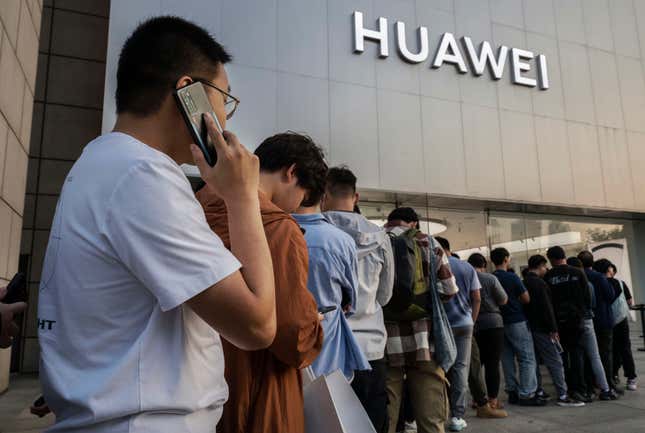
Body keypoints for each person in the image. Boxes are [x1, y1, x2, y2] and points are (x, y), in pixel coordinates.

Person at [37, 17, 278, 433]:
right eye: (224, 99)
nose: (225, 118)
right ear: (189, 93)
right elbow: (258, 324)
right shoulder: (142, 175)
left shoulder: (103, 162)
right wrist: (242, 197)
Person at [196, 132, 325, 433]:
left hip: (199, 381)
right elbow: (292, 335)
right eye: (302, 197)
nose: (295, 208)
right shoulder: (279, 227)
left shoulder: (195, 207)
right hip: (258, 389)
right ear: (291, 172)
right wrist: (314, 326)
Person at [322, 166, 395, 432]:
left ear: (323, 193)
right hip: (371, 348)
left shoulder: (314, 232)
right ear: (357, 196)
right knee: (372, 422)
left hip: (328, 349)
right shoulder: (380, 237)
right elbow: (385, 295)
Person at [384, 207, 459, 433]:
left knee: (386, 415)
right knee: (431, 417)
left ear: (389, 222)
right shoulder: (429, 243)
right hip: (424, 340)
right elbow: (449, 290)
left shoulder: (374, 240)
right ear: (414, 223)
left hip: (385, 341)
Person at [293, 171, 371, 381]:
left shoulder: (269, 232)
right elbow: (350, 303)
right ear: (323, 196)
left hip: (279, 346)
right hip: (327, 347)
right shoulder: (342, 241)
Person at [524, 255, 584, 407]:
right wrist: (553, 328)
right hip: (543, 328)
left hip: (530, 327)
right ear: (540, 265)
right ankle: (563, 395)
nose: (546, 270)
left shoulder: (524, 282)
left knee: (534, 362)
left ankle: (538, 390)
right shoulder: (540, 283)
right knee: (555, 361)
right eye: (544, 267)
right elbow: (547, 308)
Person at [434, 237, 481, 431]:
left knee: (440, 368)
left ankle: (438, 413)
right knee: (461, 369)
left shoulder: (433, 267)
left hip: (442, 326)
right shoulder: (467, 267)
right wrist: (472, 319)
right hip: (465, 324)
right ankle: (457, 416)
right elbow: (476, 297)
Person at [490, 248, 544, 406]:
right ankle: (527, 393)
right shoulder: (512, 277)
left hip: (499, 322)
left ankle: (512, 391)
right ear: (506, 259)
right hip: (516, 321)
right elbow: (526, 298)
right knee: (526, 357)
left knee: (506, 358)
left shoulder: (490, 278)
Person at [564, 255, 616, 401]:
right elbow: (597, 300)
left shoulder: (566, 283)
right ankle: (606, 387)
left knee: (578, 356)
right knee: (597, 355)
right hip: (590, 320)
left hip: (572, 322)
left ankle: (585, 388)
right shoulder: (593, 280)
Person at [467, 253, 508, 416]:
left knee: (476, 365)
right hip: (493, 323)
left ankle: (478, 399)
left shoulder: (465, 276)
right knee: (492, 364)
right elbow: (503, 299)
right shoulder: (490, 279)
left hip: (474, 324)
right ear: (483, 264)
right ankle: (492, 400)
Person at [579, 251, 619, 396]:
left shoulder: (577, 276)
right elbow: (610, 295)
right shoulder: (598, 277)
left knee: (587, 355)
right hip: (603, 319)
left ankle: (589, 385)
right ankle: (607, 383)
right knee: (605, 353)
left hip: (585, 320)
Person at [599, 261, 637, 391]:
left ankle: (613, 375)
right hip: (621, 320)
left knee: (610, 350)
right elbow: (629, 301)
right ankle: (631, 378)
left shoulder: (597, 283)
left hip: (606, 321)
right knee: (625, 349)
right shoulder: (619, 283)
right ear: (609, 269)